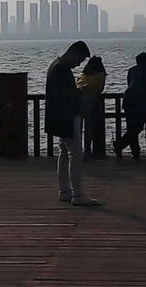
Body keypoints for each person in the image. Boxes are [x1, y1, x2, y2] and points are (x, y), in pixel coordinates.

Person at [44, 41, 99, 206]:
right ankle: (77, 194)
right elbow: (66, 95)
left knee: (64, 152)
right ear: (74, 53)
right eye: (80, 59)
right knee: (76, 153)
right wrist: (83, 93)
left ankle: (65, 191)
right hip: (67, 116)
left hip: (57, 117)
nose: (79, 64)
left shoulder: (55, 65)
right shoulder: (62, 70)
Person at [113, 52, 146, 160]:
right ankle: (121, 145)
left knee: (132, 126)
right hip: (141, 101)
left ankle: (134, 151)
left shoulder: (132, 70)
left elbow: (129, 84)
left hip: (128, 100)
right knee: (138, 127)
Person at [76, 55, 107, 160]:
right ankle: (87, 150)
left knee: (78, 127)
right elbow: (99, 88)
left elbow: (79, 85)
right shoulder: (100, 74)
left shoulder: (84, 74)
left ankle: (76, 150)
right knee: (89, 128)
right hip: (92, 102)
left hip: (79, 101)